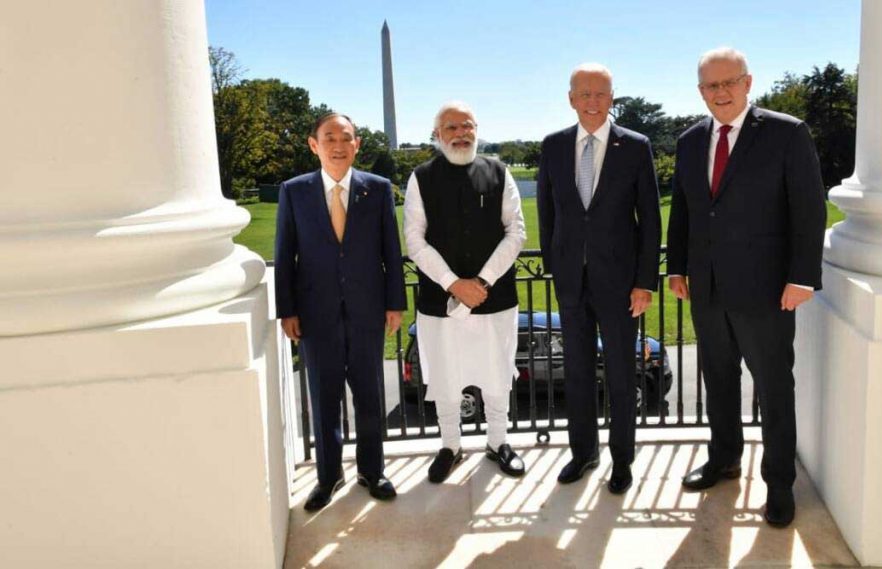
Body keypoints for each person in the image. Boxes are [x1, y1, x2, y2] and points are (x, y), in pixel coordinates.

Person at [666, 47, 826, 527]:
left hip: (768, 288)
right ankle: (724, 459)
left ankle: (779, 484)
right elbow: (687, 212)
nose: (720, 93)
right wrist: (677, 268)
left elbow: (809, 208)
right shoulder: (691, 141)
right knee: (717, 379)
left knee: (774, 387)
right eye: (710, 86)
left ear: (748, 82)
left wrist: (802, 277)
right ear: (700, 92)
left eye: (728, 82)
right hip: (708, 288)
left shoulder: (786, 133)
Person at [537, 63, 662, 495]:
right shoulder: (553, 146)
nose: (592, 101)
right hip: (571, 282)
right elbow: (549, 213)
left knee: (623, 375)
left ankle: (622, 461)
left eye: (601, 94)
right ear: (570, 98)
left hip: (621, 284)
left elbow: (650, 219)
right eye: (584, 94)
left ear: (612, 98)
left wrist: (644, 281)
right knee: (575, 372)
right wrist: (557, 267)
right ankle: (583, 453)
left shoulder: (635, 146)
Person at [275, 113, 406, 509]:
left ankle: (372, 470)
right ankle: (328, 477)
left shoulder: (378, 189)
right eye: (329, 137)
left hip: (368, 313)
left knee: (369, 397)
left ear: (357, 144)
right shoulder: (294, 191)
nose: (338, 144)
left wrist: (394, 303)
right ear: (313, 144)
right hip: (315, 317)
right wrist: (288, 310)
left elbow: (390, 252)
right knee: (324, 396)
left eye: (345, 138)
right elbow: (285, 256)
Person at [404, 101, 528, 483]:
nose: (461, 133)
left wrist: (483, 282)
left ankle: (498, 442)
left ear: (477, 129)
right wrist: (454, 284)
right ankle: (450, 446)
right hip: (440, 301)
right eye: (451, 127)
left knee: (496, 373)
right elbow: (414, 239)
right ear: (437, 135)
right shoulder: (420, 177)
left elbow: (516, 232)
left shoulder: (499, 172)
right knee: (445, 376)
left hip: (495, 298)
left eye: (467, 125)